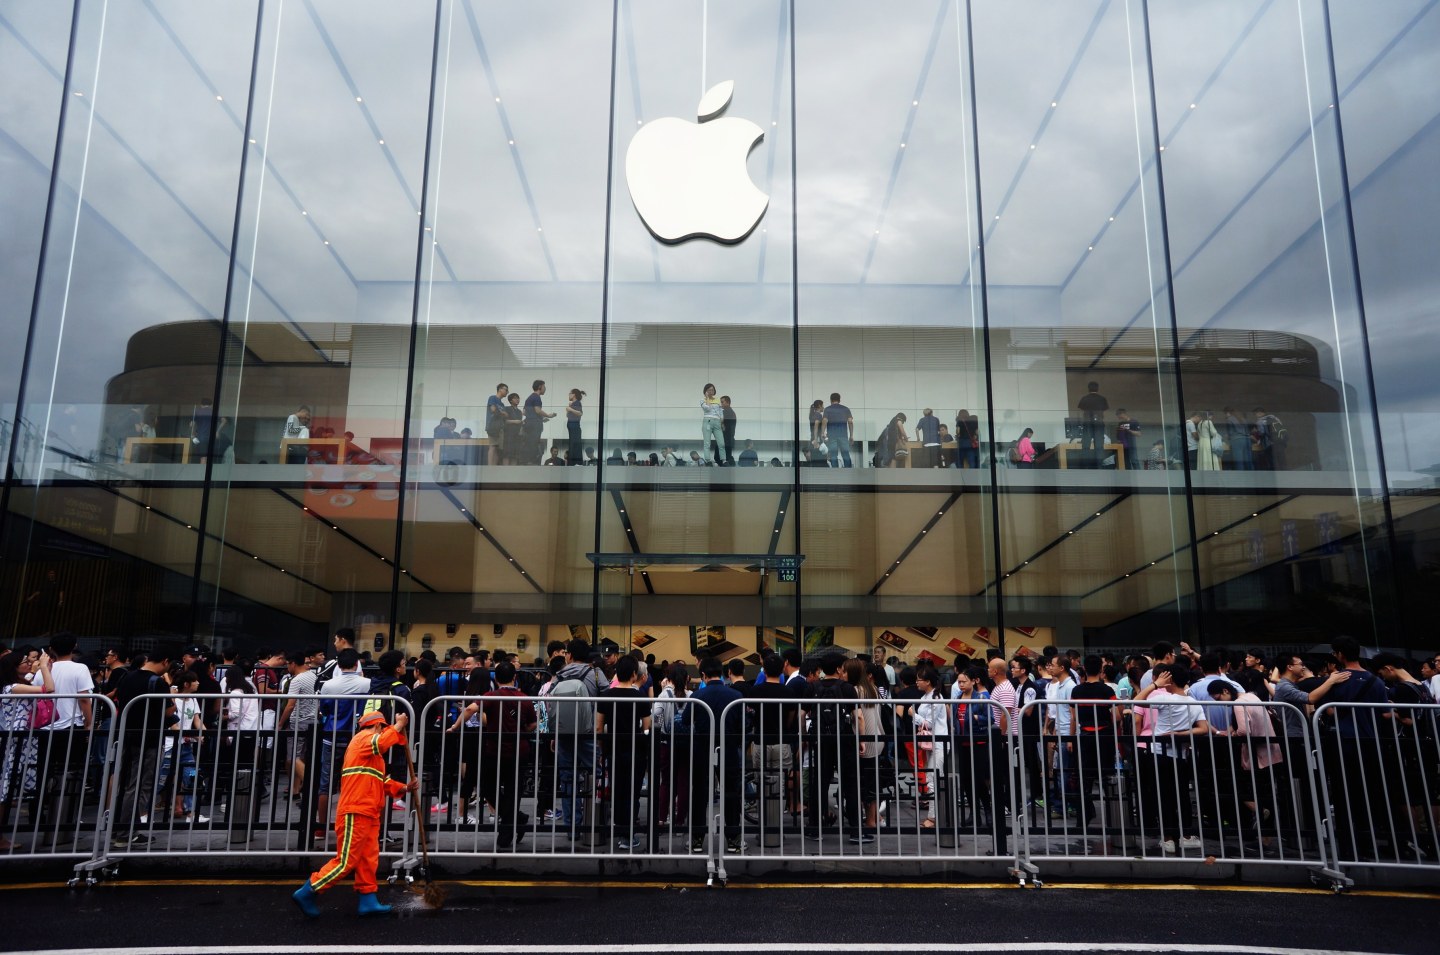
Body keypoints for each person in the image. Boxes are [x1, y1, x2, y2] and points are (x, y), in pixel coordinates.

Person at [292, 709, 415, 918]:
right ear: (378, 726)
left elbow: (380, 781)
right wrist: (399, 725)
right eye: (384, 729)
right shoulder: (363, 739)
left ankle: (368, 900)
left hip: (368, 811)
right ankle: (308, 890)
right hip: (356, 810)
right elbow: (382, 743)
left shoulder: (371, 754)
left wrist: (403, 788)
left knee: (368, 858)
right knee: (346, 860)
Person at [0, 650, 54, 850]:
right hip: (15, 742)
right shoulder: (12, 687)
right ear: (13, 667)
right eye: (24, 661)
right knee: (5, 790)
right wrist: (42, 668)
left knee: (9, 789)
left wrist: (43, 668)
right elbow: (48, 689)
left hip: (22, 741)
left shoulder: (16, 685)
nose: (28, 663)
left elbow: (35, 683)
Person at [599, 656, 650, 850]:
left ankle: (619, 830)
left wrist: (603, 749)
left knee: (617, 790)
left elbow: (598, 727)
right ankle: (628, 835)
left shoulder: (605, 695)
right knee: (633, 793)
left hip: (613, 749)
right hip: (635, 751)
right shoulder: (641, 698)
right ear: (634, 674)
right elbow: (647, 727)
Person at [523, 380, 556, 465]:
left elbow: (524, 412)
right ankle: (532, 463)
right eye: (544, 387)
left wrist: (540, 419)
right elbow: (537, 410)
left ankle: (529, 462)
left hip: (529, 424)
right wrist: (548, 415)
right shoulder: (536, 397)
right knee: (534, 445)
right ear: (539, 387)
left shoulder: (529, 398)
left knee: (530, 444)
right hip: (534, 426)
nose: (545, 389)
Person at [1077, 381, 1108, 464]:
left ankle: (1086, 466)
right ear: (1097, 388)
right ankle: (1100, 465)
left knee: (1086, 446)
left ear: (1088, 388)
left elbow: (1081, 410)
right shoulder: (1102, 399)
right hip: (1099, 423)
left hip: (1087, 423)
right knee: (1099, 446)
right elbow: (1104, 411)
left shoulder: (1085, 398)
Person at [821, 393, 854, 468]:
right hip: (843, 435)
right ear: (839, 400)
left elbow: (824, 421)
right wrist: (851, 435)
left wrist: (823, 433)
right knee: (845, 454)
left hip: (832, 436)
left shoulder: (828, 409)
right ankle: (848, 472)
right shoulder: (846, 409)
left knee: (833, 455)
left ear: (831, 400)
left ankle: (835, 472)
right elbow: (850, 422)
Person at [483, 383, 509, 465]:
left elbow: (505, 416)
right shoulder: (492, 398)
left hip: (500, 427)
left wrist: (503, 414)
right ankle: (490, 466)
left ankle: (494, 466)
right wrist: (503, 413)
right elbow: (493, 409)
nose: (507, 392)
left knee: (498, 448)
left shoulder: (502, 404)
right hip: (492, 426)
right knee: (493, 446)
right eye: (506, 389)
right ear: (500, 389)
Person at [700, 383, 724, 465]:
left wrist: (722, 421)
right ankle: (707, 460)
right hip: (708, 421)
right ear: (705, 391)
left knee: (721, 443)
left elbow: (721, 411)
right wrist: (707, 398)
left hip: (717, 422)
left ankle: (723, 460)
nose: (711, 391)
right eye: (709, 390)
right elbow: (708, 408)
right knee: (707, 443)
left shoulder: (718, 400)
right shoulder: (702, 400)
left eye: (712, 390)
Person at [1223, 406, 1253, 471]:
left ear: (1227, 413)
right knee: (1248, 462)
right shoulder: (1242, 419)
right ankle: (1252, 478)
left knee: (1239, 462)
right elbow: (1248, 431)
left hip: (1237, 441)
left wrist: (1227, 436)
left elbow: (1230, 433)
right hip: (1247, 440)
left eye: (1225, 413)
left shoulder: (1229, 419)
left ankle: (1241, 479)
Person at [502, 392, 524, 465]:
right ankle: (505, 472)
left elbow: (520, 423)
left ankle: (513, 472)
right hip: (508, 435)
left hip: (517, 436)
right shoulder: (507, 409)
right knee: (507, 455)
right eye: (515, 398)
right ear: (511, 400)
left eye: (518, 398)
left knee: (515, 455)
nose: (517, 399)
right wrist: (515, 421)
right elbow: (504, 421)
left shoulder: (519, 412)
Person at [566, 389, 585, 465]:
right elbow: (568, 415)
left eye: (570, 393)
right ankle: (573, 462)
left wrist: (570, 409)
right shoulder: (573, 404)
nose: (569, 395)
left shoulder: (577, 403)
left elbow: (580, 413)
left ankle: (576, 462)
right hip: (572, 427)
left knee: (575, 445)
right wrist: (570, 408)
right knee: (572, 444)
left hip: (575, 427)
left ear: (573, 394)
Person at [719, 396, 737, 466]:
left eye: (722, 402)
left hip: (726, 440)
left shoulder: (727, 412)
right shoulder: (731, 412)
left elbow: (722, 425)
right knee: (728, 457)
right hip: (729, 440)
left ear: (728, 402)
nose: (721, 404)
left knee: (725, 459)